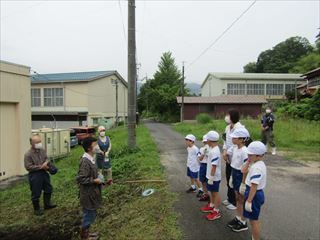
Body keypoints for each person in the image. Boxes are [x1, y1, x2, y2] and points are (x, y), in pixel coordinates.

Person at [77, 137, 104, 240]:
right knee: (89, 214)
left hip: (93, 193)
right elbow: (81, 179)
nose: (97, 146)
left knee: (91, 214)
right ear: (89, 148)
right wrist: (94, 180)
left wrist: (101, 179)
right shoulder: (85, 161)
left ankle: (87, 233)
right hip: (88, 195)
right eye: (95, 144)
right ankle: (84, 236)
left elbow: (93, 174)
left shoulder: (92, 158)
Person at [24, 134, 57, 216]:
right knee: (36, 192)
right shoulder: (28, 154)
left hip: (44, 172)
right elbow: (28, 167)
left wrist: (46, 164)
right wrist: (41, 167)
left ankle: (47, 204)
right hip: (35, 174)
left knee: (48, 188)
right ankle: (37, 209)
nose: (39, 143)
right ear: (32, 143)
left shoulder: (42, 150)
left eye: (40, 141)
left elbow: (46, 158)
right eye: (37, 142)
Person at [241, 141, 267, 240]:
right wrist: (248, 161)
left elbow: (254, 186)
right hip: (252, 192)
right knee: (252, 219)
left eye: (250, 155)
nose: (248, 156)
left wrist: (249, 200)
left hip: (254, 194)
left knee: (253, 220)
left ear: (258, 155)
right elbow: (243, 170)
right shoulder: (254, 163)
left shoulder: (257, 167)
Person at [227, 127, 250, 232]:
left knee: (242, 199)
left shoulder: (245, 151)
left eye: (235, 138)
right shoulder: (235, 148)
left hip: (241, 176)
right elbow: (233, 164)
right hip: (235, 173)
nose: (233, 139)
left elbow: (246, 169)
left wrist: (243, 183)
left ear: (242, 139)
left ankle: (243, 222)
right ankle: (238, 217)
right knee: (237, 198)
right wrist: (232, 176)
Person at [222, 110, 243, 210]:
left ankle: (235, 202)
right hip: (228, 157)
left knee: (234, 179)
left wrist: (227, 153)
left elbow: (236, 144)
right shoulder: (227, 127)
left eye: (228, 115)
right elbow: (225, 141)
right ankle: (230, 198)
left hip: (235, 156)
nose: (226, 117)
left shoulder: (239, 128)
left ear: (233, 117)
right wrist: (224, 151)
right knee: (228, 177)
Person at [200, 131, 222, 221]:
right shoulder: (212, 149)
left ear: (210, 140)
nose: (206, 140)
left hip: (214, 176)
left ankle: (216, 211)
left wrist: (212, 177)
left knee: (215, 193)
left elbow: (214, 165)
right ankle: (212, 205)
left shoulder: (215, 151)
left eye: (207, 139)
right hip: (210, 175)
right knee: (212, 192)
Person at [197, 135, 210, 201]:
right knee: (203, 180)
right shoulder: (201, 149)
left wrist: (208, 152)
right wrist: (204, 153)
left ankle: (210, 195)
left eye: (206, 142)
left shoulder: (212, 149)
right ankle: (205, 194)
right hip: (203, 165)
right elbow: (200, 158)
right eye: (204, 142)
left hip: (209, 165)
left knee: (209, 181)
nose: (205, 144)